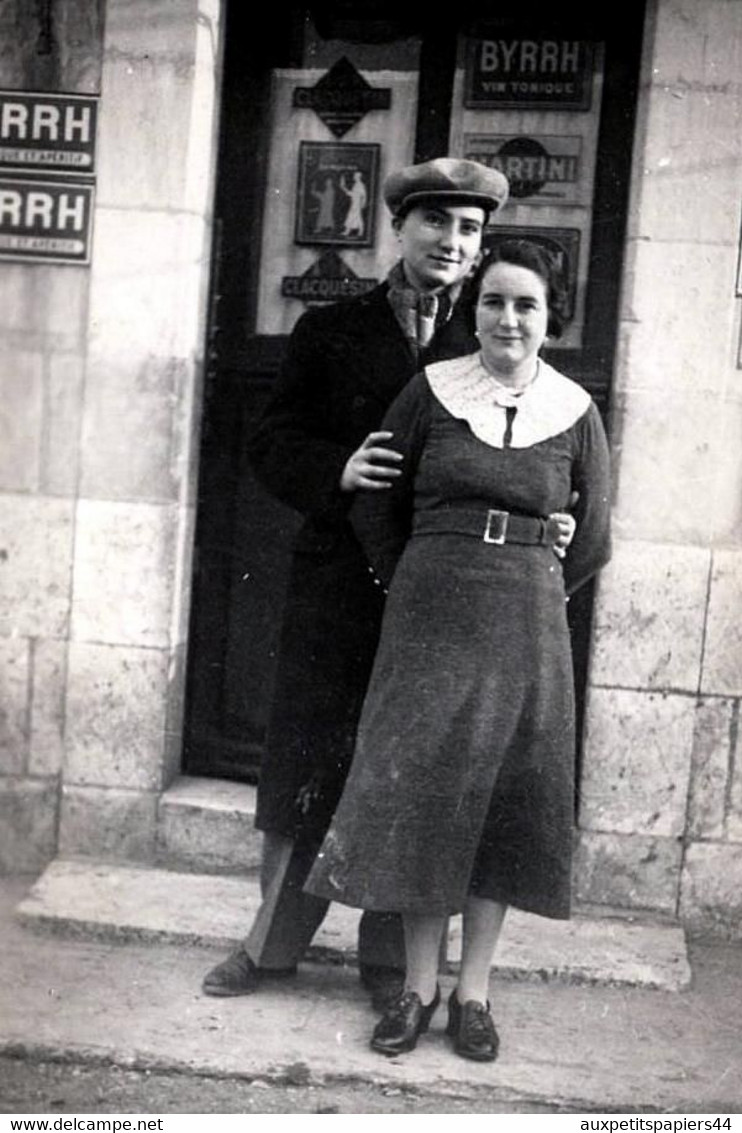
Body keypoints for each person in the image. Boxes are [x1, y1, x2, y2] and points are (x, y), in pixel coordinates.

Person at [200, 161, 573, 1010]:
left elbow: (545, 459)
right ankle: (270, 946)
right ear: (398, 228)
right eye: (435, 222)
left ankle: (387, 965)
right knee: (313, 766)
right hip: (340, 586)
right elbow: (269, 444)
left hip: (445, 607)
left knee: (422, 773)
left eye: (469, 230)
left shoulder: (491, 344)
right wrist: (337, 467)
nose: (452, 242)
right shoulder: (330, 331)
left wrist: (556, 523)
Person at [305, 238, 612, 1062]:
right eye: (493, 302)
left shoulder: (576, 414)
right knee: (424, 796)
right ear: (473, 311)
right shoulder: (430, 393)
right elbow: (375, 495)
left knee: (502, 804)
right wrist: (405, 575)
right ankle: (417, 986)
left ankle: (473, 993)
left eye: (526, 305)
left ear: (551, 319)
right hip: (428, 618)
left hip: (524, 626)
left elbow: (595, 540)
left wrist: (534, 583)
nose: (508, 319)